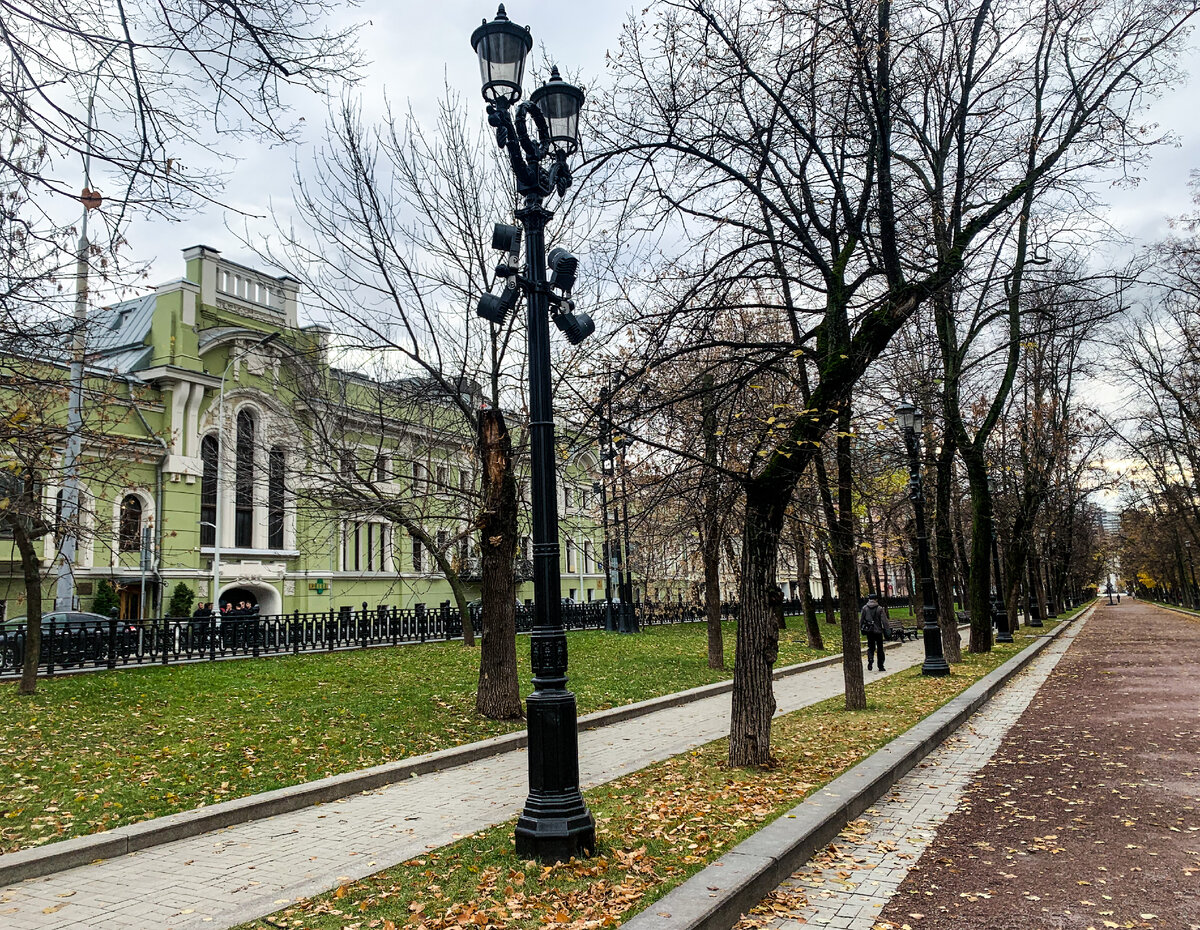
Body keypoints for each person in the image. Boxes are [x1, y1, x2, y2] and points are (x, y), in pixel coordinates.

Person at [860, 593, 886, 672]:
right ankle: (880, 666)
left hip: (869, 631)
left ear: (869, 599)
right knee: (880, 649)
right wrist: (887, 631)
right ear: (876, 599)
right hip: (878, 632)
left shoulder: (865, 608)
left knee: (871, 647)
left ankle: (870, 659)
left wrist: (861, 628)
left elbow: (861, 620)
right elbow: (884, 621)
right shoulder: (879, 609)